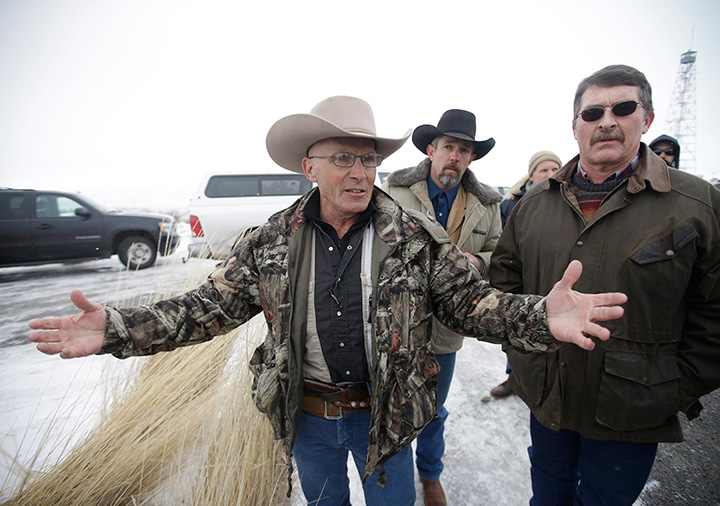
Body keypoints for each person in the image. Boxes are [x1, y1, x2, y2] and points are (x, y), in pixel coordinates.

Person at [28, 96, 628, 506]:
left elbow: (474, 305)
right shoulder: (270, 241)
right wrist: (116, 329)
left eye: (368, 158)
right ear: (309, 166)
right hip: (308, 417)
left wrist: (538, 317)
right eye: (343, 158)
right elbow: (202, 309)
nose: (359, 171)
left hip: (386, 418)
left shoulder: (412, 237)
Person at [490, 65, 720, 505]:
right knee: (548, 497)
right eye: (593, 112)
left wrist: (673, 386)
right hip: (548, 397)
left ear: (647, 118)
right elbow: (505, 284)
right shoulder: (533, 204)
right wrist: (524, 354)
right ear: (575, 127)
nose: (607, 121)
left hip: (631, 411)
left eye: (624, 107)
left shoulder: (696, 205)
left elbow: (714, 310)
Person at [382, 109, 499, 505]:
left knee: (433, 409)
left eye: (464, 150)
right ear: (431, 149)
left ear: (472, 158)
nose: (455, 156)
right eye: (449, 146)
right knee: (392, 402)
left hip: (447, 330)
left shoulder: (487, 205)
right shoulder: (394, 192)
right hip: (395, 323)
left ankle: (430, 475)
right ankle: (390, 473)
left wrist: (478, 262)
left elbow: (499, 252)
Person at [490, 150, 562, 399]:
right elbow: (502, 247)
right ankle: (515, 378)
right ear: (532, 174)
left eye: (555, 169)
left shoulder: (567, 201)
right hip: (525, 280)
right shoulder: (512, 203)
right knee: (519, 329)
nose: (550, 174)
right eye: (544, 169)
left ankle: (554, 385)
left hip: (555, 280)